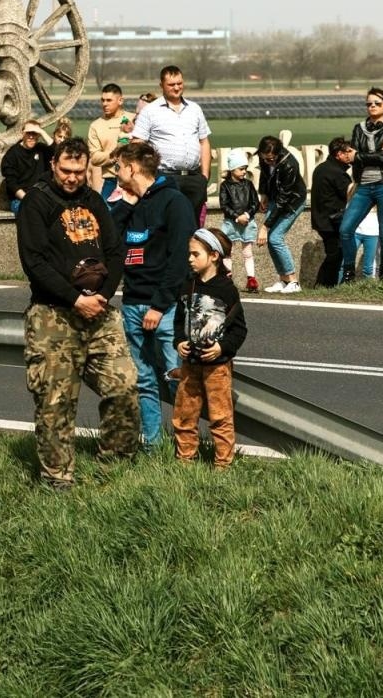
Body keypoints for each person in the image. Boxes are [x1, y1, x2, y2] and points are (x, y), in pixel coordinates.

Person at [15, 138, 135, 489]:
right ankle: (57, 477)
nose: (71, 178)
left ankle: (115, 463)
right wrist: (73, 298)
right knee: (56, 401)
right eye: (66, 170)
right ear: (53, 165)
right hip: (54, 315)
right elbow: (33, 262)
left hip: (99, 310)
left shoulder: (93, 199)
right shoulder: (37, 203)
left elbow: (115, 251)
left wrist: (103, 294)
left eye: (79, 171)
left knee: (124, 385)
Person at [109, 140, 194, 446]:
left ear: (132, 168)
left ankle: (186, 446)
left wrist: (159, 306)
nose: (115, 173)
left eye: (119, 167)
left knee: (174, 378)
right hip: (132, 302)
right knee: (144, 380)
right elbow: (109, 239)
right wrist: (126, 205)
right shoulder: (131, 203)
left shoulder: (174, 202)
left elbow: (179, 260)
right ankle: (153, 445)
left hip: (163, 307)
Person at [169, 227, 248, 467]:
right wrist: (179, 342)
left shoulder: (226, 290)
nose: (190, 260)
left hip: (217, 367)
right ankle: (185, 460)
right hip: (190, 363)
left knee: (220, 416)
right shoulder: (187, 286)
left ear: (214, 256)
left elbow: (239, 329)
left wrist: (222, 348)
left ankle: (223, 464)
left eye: (195, 254)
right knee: (184, 415)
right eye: (189, 255)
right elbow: (179, 321)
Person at [129, 66, 211, 217]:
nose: (176, 87)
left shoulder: (195, 109)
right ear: (161, 85)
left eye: (179, 83)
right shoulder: (150, 111)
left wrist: (204, 176)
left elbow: (204, 142)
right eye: (171, 84)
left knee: (193, 226)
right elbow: (137, 145)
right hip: (165, 177)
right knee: (168, 223)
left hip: (194, 179)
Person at [338, 88, 383, 281]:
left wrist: (360, 156)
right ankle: (348, 274)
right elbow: (352, 156)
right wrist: (362, 156)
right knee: (346, 229)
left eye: (377, 103)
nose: (372, 106)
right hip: (363, 186)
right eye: (369, 104)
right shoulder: (359, 128)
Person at [256, 135, 308, 294]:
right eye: (266, 159)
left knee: (275, 237)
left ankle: (293, 281)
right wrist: (263, 194)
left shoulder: (290, 164)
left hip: (292, 202)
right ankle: (283, 280)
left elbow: (283, 200)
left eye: (272, 159)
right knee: (272, 240)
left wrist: (265, 226)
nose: (268, 162)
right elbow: (264, 175)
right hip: (275, 198)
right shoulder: (263, 158)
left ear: (278, 154)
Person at [310, 138, 355, 287]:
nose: (351, 154)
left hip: (322, 219)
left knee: (334, 253)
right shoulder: (337, 173)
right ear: (339, 154)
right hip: (331, 221)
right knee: (336, 254)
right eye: (348, 151)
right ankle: (325, 285)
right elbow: (349, 194)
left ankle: (323, 284)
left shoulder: (322, 167)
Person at [217, 150, 259, 292]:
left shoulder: (248, 184)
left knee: (248, 252)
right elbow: (224, 205)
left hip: (247, 222)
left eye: (245, 169)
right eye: (241, 169)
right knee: (227, 251)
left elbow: (255, 202)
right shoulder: (225, 186)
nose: (244, 172)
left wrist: (247, 215)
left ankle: (251, 279)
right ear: (232, 169)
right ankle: (228, 277)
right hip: (231, 223)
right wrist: (236, 216)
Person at [84, 83, 131, 198]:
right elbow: (94, 158)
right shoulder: (96, 125)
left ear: (120, 101)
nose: (104, 104)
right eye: (103, 100)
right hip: (110, 182)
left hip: (133, 180)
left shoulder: (133, 119)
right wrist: (114, 154)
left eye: (109, 100)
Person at [0, 122, 50, 213]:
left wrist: (42, 132)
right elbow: (12, 184)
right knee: (34, 211)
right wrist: (28, 199)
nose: (31, 136)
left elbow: (59, 152)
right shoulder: (12, 154)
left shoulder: (42, 150)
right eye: (28, 133)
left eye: (34, 133)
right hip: (19, 199)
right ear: (22, 133)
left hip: (41, 197)